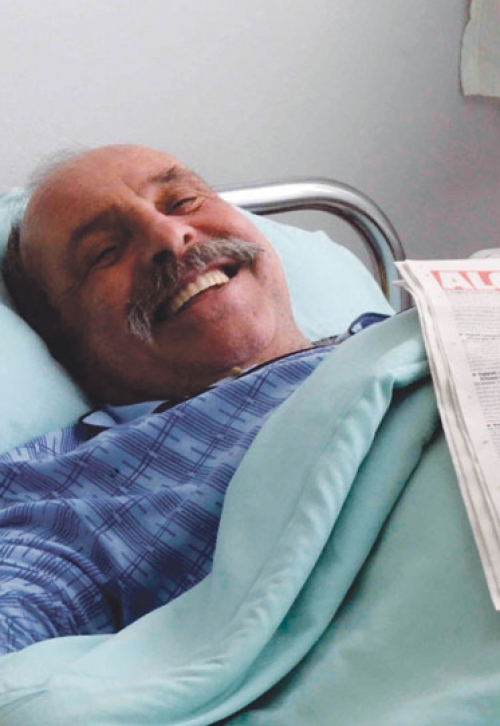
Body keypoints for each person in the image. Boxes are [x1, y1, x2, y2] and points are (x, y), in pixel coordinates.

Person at [0, 144, 387, 654]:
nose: (170, 235)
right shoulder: (75, 488)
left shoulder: (408, 334)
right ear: (66, 341)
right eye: (105, 252)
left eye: (182, 202)